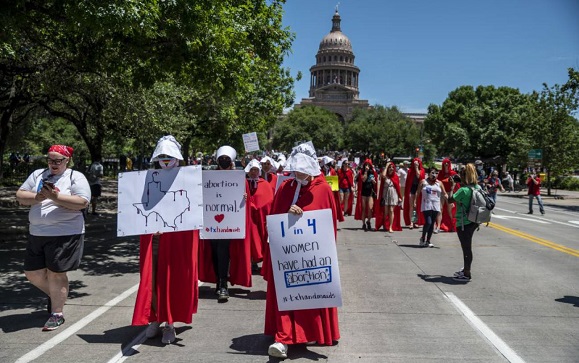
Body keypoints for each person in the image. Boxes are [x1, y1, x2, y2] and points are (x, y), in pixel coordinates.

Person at [263, 142, 339, 359]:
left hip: (310, 254)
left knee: (308, 292)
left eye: (303, 168)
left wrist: (303, 215)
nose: (299, 172)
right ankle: (283, 337)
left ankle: (308, 332)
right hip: (286, 254)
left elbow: (326, 224)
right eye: (296, 168)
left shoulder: (323, 189)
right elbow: (275, 219)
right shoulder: (284, 188)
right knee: (285, 292)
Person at [131, 135, 199, 344]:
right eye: (162, 156)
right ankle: (155, 317)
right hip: (155, 237)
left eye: (169, 156)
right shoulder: (146, 178)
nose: (166, 159)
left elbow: (193, 208)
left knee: (174, 278)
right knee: (153, 278)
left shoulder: (189, 178)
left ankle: (170, 323)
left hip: (180, 239)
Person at [16, 145, 91, 331]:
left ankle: (57, 314)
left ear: (67, 161)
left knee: (57, 273)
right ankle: (57, 295)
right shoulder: (37, 175)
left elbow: (82, 202)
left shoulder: (75, 177)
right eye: (50, 160)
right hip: (37, 232)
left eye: (58, 160)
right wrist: (39, 197)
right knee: (32, 273)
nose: (53, 164)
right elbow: (20, 195)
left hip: (65, 233)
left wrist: (56, 196)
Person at [198, 145, 252, 302]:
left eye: (226, 160)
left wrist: (245, 197)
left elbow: (246, 200)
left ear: (231, 162)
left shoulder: (238, 178)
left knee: (223, 251)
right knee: (214, 251)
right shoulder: (207, 177)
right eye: (221, 159)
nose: (223, 162)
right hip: (211, 220)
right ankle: (218, 280)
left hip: (230, 222)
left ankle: (223, 284)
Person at [447, 163, 480, 282]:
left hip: (463, 223)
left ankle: (467, 273)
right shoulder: (477, 187)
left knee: (466, 248)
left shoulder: (463, 190)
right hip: (474, 221)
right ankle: (466, 269)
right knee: (468, 247)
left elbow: (450, 199)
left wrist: (452, 186)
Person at [245, 159, 274, 272]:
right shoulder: (243, 183)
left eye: (256, 170)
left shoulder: (265, 184)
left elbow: (268, 199)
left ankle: (257, 261)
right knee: (252, 238)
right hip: (249, 217)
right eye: (251, 170)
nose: (253, 172)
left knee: (262, 237)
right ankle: (251, 261)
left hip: (262, 216)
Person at [416, 167, 447, 247]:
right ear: (428, 173)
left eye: (436, 173)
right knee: (428, 222)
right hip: (426, 204)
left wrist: (449, 198)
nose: (434, 175)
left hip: (436, 205)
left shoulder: (439, 183)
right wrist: (415, 203)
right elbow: (418, 193)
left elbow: (444, 193)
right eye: (432, 173)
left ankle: (428, 240)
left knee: (432, 223)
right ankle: (422, 238)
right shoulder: (423, 182)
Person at [376, 161, 402, 233]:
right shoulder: (385, 176)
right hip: (386, 194)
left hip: (393, 194)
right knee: (386, 211)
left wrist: (400, 197)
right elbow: (383, 176)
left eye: (392, 167)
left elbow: (398, 187)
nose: (391, 169)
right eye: (390, 167)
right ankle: (385, 224)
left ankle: (390, 226)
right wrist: (387, 166)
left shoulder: (395, 176)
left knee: (391, 210)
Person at [436, 158, 459, 232]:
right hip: (442, 193)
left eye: (447, 163)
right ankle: (438, 226)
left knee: (450, 211)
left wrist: (455, 196)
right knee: (440, 209)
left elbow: (457, 185)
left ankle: (452, 225)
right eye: (445, 163)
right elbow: (437, 183)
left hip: (450, 194)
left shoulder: (453, 173)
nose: (446, 165)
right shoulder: (440, 173)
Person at [355, 159, 378, 231]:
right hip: (363, 192)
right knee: (364, 208)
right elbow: (363, 180)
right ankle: (363, 223)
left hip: (370, 192)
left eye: (368, 165)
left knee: (370, 208)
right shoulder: (361, 172)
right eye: (366, 165)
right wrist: (365, 172)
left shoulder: (373, 172)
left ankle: (368, 221)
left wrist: (373, 181)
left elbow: (375, 182)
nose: (367, 166)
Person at [403, 158, 425, 229]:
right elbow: (408, 182)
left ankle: (415, 221)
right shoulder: (410, 171)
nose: (416, 164)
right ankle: (411, 222)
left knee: (416, 206)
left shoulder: (422, 170)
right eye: (414, 163)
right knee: (411, 206)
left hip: (418, 189)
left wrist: (416, 168)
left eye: (417, 163)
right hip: (411, 188)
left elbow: (419, 176)